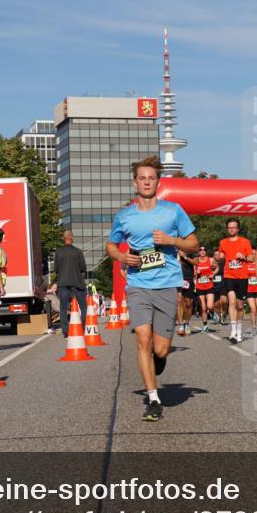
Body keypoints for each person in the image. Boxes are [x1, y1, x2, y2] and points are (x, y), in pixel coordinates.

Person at [106, 156, 198, 422]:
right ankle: (154, 398)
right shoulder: (124, 216)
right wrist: (122, 257)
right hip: (138, 285)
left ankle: (159, 361)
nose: (146, 182)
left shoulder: (173, 211)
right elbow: (111, 246)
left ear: (158, 182)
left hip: (167, 285)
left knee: (160, 349)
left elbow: (193, 243)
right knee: (142, 340)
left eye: (151, 178)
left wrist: (171, 240)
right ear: (135, 182)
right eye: (141, 178)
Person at [217, 218, 255, 344]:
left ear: (238, 229)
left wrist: (243, 257)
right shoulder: (223, 242)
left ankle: (239, 330)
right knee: (231, 301)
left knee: (239, 305)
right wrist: (219, 257)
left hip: (242, 277)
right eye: (229, 227)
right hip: (229, 275)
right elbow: (219, 256)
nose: (231, 229)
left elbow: (251, 258)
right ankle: (233, 330)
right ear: (227, 229)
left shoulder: (245, 242)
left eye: (234, 227)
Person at [54, 230, 88, 338]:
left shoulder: (58, 252)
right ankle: (82, 328)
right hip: (77, 282)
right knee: (83, 306)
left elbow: (56, 269)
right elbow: (83, 268)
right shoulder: (78, 252)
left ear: (63, 238)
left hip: (63, 282)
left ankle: (66, 331)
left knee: (63, 307)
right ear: (71, 238)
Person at [193, 246, 219, 333]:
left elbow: (217, 267)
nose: (202, 251)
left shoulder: (211, 260)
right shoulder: (196, 261)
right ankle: (205, 325)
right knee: (203, 308)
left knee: (210, 306)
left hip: (209, 285)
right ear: (198, 252)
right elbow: (194, 274)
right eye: (200, 250)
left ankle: (212, 312)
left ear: (206, 252)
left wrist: (213, 274)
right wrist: (196, 273)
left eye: (204, 250)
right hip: (200, 286)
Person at [176, 249, 198, 336]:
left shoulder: (191, 252)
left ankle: (187, 323)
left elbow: (196, 262)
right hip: (177, 280)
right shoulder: (174, 253)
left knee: (188, 304)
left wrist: (185, 257)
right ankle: (181, 325)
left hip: (188, 280)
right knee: (179, 302)